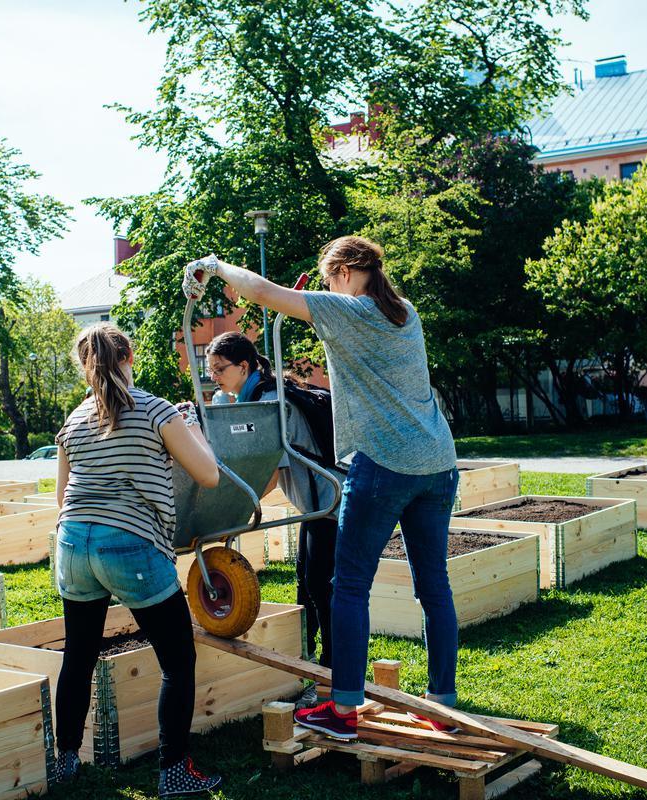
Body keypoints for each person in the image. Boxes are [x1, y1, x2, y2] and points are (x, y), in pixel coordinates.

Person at [184, 237, 460, 740]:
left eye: (331, 275)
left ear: (351, 271)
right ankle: (441, 700)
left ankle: (343, 710)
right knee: (433, 586)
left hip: (384, 466)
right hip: (438, 464)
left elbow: (264, 293)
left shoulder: (349, 310)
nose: (329, 284)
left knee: (349, 586)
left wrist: (216, 264)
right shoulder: (406, 314)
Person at [50, 322, 224, 796]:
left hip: (72, 544)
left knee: (79, 655)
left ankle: (65, 762)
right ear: (129, 355)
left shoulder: (74, 419)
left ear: (85, 366)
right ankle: (174, 770)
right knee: (177, 658)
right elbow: (208, 474)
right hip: (130, 543)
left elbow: (62, 496)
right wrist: (189, 425)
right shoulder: (156, 409)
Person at [204, 332, 340, 687]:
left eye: (220, 369)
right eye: (211, 370)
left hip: (330, 502)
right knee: (306, 581)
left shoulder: (268, 402)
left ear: (244, 365)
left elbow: (268, 473)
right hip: (318, 503)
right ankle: (308, 655)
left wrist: (233, 514)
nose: (214, 377)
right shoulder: (265, 393)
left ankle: (333, 668)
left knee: (321, 584)